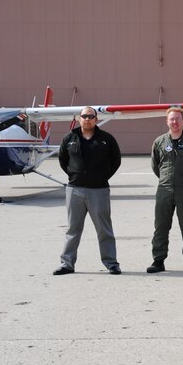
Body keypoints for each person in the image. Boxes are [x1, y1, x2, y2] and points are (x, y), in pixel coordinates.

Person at [55, 106, 122, 275]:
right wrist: (74, 175)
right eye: (84, 116)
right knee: (73, 229)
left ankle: (111, 263)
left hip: (98, 190)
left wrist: (102, 176)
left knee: (104, 229)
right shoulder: (70, 138)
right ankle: (67, 263)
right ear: (79, 118)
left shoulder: (106, 139)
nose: (87, 119)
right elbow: (63, 159)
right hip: (74, 190)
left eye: (91, 116)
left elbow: (116, 160)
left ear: (96, 119)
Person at [147, 106, 183, 274]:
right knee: (161, 226)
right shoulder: (159, 142)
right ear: (167, 121)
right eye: (171, 119)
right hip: (164, 189)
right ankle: (158, 260)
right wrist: (167, 179)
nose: (175, 122)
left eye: (178, 119)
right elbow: (155, 165)